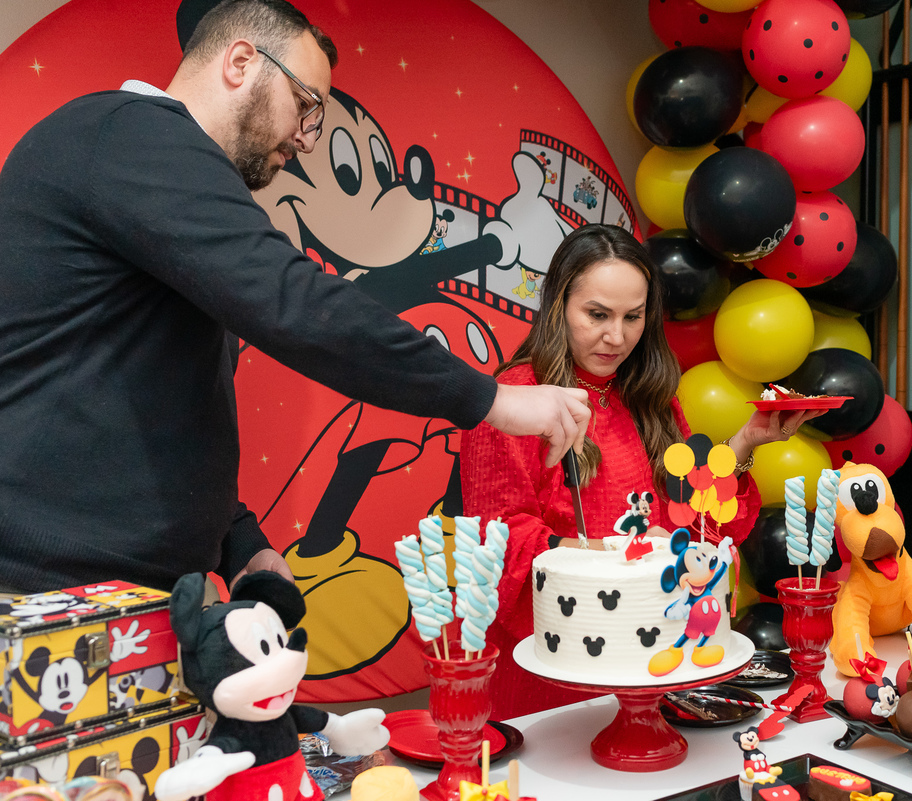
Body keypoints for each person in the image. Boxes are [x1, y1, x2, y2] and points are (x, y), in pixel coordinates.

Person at [0, 0, 590, 595]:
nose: (307, 140)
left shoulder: (161, 183)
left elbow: (155, 404)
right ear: (240, 62)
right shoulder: (131, 134)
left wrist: (239, 542)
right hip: (52, 588)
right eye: (306, 105)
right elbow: (297, 304)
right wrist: (492, 401)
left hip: (134, 587)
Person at [460, 224, 823, 719]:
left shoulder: (651, 399)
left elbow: (696, 525)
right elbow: (499, 544)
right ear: (557, 306)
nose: (617, 336)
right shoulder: (515, 402)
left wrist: (744, 443)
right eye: (597, 315)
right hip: (555, 682)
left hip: (656, 665)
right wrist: (618, 555)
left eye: (633, 317)